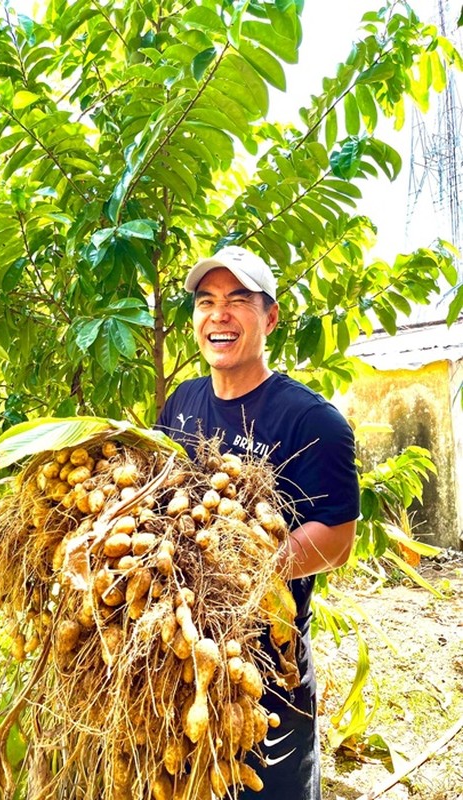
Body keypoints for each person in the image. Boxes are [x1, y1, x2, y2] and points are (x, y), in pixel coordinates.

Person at [157, 245, 360, 799]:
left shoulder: (311, 419)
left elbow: (338, 539)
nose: (218, 314)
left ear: (269, 318)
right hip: (182, 666)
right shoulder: (181, 404)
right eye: (206, 301)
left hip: (268, 676)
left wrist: (235, 571)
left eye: (237, 301)